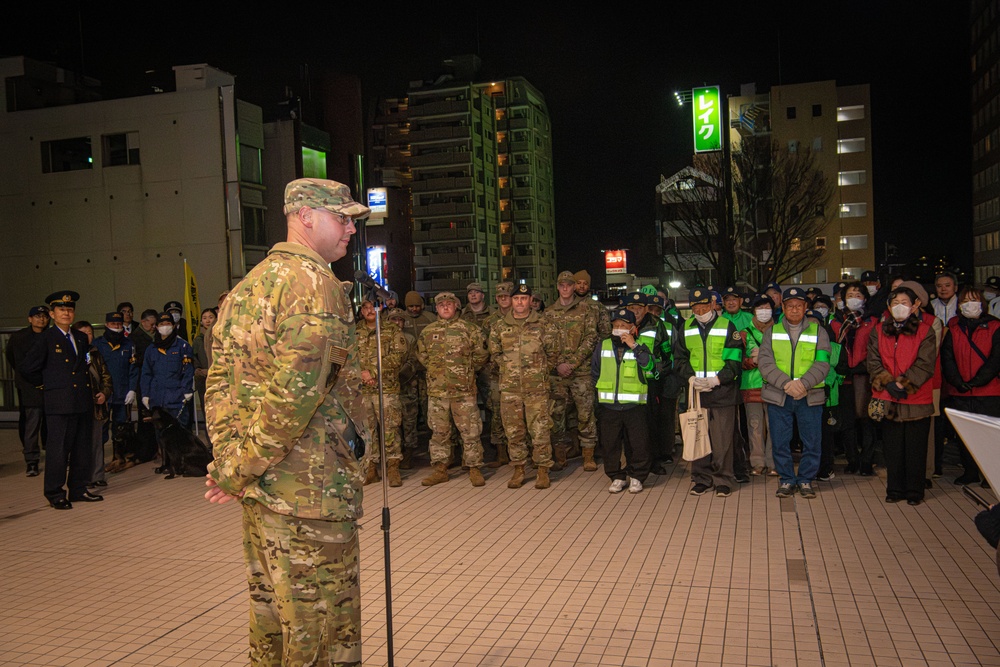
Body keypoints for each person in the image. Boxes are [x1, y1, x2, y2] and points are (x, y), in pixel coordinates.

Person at [204, 177, 372, 665]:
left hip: (263, 490)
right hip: (310, 495)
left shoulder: (248, 286)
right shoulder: (317, 287)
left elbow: (220, 385)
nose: (350, 229)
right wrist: (237, 471)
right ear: (305, 217)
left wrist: (232, 465)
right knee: (321, 635)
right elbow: (293, 398)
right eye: (341, 218)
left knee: (272, 626)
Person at [20, 291, 104, 509]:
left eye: (69, 309)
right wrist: (49, 385)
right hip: (59, 403)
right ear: (52, 313)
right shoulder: (46, 339)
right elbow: (27, 368)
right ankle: (55, 493)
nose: (66, 313)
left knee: (81, 449)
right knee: (58, 451)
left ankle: (78, 489)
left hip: (81, 401)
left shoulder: (79, 337)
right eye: (61, 310)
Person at [757, 287, 831, 499]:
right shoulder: (772, 332)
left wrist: (803, 384)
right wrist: (787, 384)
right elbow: (765, 362)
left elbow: (823, 363)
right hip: (779, 395)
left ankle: (806, 479)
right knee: (780, 441)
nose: (795, 310)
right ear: (784, 308)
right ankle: (787, 479)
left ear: (805, 307)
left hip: (809, 395)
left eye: (799, 305)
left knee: (812, 441)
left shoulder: (819, 332)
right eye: (790, 306)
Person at [868, 285, 937, 505]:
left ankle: (915, 491)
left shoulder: (926, 330)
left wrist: (905, 384)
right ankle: (894, 490)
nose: (899, 307)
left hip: (916, 398)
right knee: (893, 448)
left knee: (916, 448)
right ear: (888, 306)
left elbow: (926, 364)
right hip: (888, 397)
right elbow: (873, 361)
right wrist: (888, 383)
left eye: (904, 302)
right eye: (895, 302)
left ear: (916, 305)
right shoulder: (878, 330)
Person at [674, 287, 744, 497]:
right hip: (697, 393)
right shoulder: (685, 327)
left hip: (722, 391)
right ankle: (701, 478)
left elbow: (735, 360)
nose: (700, 310)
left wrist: (717, 379)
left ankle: (723, 479)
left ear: (713, 305)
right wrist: (691, 378)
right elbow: (679, 359)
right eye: (696, 307)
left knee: (723, 440)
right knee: (698, 436)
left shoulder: (726, 326)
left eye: (704, 306)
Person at [489, 283, 559, 489]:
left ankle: (542, 469)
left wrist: (539, 370)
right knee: (514, 431)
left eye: (524, 298)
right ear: (511, 301)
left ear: (530, 301)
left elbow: (553, 353)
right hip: (510, 389)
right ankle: (519, 468)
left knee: (540, 430)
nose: (520, 302)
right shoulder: (500, 326)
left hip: (537, 388)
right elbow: (495, 353)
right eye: (516, 299)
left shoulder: (544, 324)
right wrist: (509, 367)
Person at [417, 292, 490, 487]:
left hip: (463, 390)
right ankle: (440, 469)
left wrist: (466, 371)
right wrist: (436, 373)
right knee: (439, 432)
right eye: (441, 305)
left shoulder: (469, 330)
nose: (446, 307)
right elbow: (422, 356)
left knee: (470, 431)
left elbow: (481, 355)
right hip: (438, 391)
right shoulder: (428, 332)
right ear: (437, 308)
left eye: (449, 304)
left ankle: (474, 468)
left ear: (456, 306)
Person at [941, 286, 1000, 487]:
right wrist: (957, 381)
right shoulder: (954, 326)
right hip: (961, 390)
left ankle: (990, 475)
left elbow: (996, 359)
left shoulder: (995, 326)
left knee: (989, 435)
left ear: (982, 303)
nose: (969, 304)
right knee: (965, 435)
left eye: (974, 300)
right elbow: (947, 356)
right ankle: (970, 471)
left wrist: (977, 381)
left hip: (989, 390)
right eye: (965, 301)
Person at [593, 307, 654, 493]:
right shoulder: (603, 345)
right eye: (616, 325)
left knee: (638, 444)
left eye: (623, 325)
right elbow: (595, 372)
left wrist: (634, 346)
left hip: (634, 405)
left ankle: (637, 476)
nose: (619, 328)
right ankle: (616, 476)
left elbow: (651, 368)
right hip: (609, 405)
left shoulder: (642, 345)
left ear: (633, 328)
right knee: (610, 444)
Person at [546, 271, 600, 471]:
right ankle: (560, 456)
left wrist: (573, 363)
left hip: (581, 372)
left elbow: (591, 338)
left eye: (569, 284)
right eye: (562, 285)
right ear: (558, 287)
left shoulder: (586, 310)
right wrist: (559, 364)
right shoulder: (549, 314)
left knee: (586, 414)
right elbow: (546, 343)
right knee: (557, 415)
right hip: (557, 374)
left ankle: (588, 456)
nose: (566, 288)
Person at [356, 298, 407, 487]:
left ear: (380, 309)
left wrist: (374, 372)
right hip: (362, 390)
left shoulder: (392, 330)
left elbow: (399, 356)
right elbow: (347, 357)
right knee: (366, 431)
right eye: (365, 307)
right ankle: (371, 467)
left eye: (373, 307)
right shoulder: (354, 332)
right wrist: (360, 374)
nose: (369, 310)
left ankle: (393, 466)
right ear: (361, 311)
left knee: (390, 428)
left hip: (386, 388)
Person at [830, 281, 878, 476]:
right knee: (847, 423)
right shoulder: (836, 321)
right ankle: (852, 460)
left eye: (858, 295)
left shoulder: (872, 321)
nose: (853, 298)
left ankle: (867, 460)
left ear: (865, 299)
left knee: (867, 421)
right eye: (850, 294)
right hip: (843, 377)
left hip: (865, 376)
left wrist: (863, 366)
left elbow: (876, 348)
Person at [92, 312, 139, 482]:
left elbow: (133, 369)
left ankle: (118, 458)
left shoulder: (128, 344)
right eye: (113, 324)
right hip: (104, 396)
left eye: (119, 325)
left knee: (121, 429)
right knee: (101, 430)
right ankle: (97, 464)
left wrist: (132, 389)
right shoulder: (97, 344)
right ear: (106, 325)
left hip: (122, 394)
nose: (117, 327)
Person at [5, 305, 50, 476]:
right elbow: (12, 358)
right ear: (30, 319)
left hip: (50, 385)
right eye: (37, 316)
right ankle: (31, 461)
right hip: (29, 386)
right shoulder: (19, 337)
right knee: (32, 423)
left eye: (44, 316)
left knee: (53, 423)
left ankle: (55, 454)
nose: (41, 319)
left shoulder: (51, 335)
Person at [73, 320, 113, 488]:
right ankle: (84, 477)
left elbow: (106, 376)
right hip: (78, 406)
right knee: (81, 444)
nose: (88, 336)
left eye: (90, 333)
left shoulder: (95, 353)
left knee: (97, 442)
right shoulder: (72, 354)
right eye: (84, 333)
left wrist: (104, 393)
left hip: (96, 406)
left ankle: (97, 475)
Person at [461, 281, 498, 464]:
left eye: (477, 292)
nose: (473, 295)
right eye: (470, 293)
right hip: (467, 368)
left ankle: (496, 446)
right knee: (467, 408)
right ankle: (468, 450)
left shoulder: (492, 315)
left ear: (483, 295)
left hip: (489, 366)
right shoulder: (462, 315)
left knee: (493, 404)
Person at [140, 312, 195, 429]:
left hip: (177, 398)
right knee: (162, 436)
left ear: (174, 326)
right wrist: (145, 394)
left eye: (168, 323)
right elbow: (146, 373)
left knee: (180, 435)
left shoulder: (182, 346)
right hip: (157, 399)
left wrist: (186, 390)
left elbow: (188, 370)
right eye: (162, 324)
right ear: (156, 326)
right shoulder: (151, 349)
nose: (165, 326)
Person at [741, 294, 776, 476]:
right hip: (751, 385)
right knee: (754, 426)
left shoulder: (779, 332)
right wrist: (751, 361)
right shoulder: (744, 333)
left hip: (775, 385)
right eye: (759, 308)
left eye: (767, 308)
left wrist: (762, 357)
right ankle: (757, 462)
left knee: (774, 425)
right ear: (753, 311)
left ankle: (773, 462)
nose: (764, 312)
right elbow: (738, 360)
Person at [482, 282, 514, 466]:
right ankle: (501, 452)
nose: (503, 299)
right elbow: (483, 348)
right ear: (496, 298)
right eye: (500, 296)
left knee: (519, 413)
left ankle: (520, 451)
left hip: (518, 376)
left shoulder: (522, 317)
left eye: (507, 296)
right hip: (495, 375)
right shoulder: (490, 321)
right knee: (496, 413)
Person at [192, 307, 218, 417]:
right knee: (207, 410)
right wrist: (199, 370)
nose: (207, 321)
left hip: (218, 378)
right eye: (204, 318)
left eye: (210, 317)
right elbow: (193, 358)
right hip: (203, 379)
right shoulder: (198, 340)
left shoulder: (220, 337)